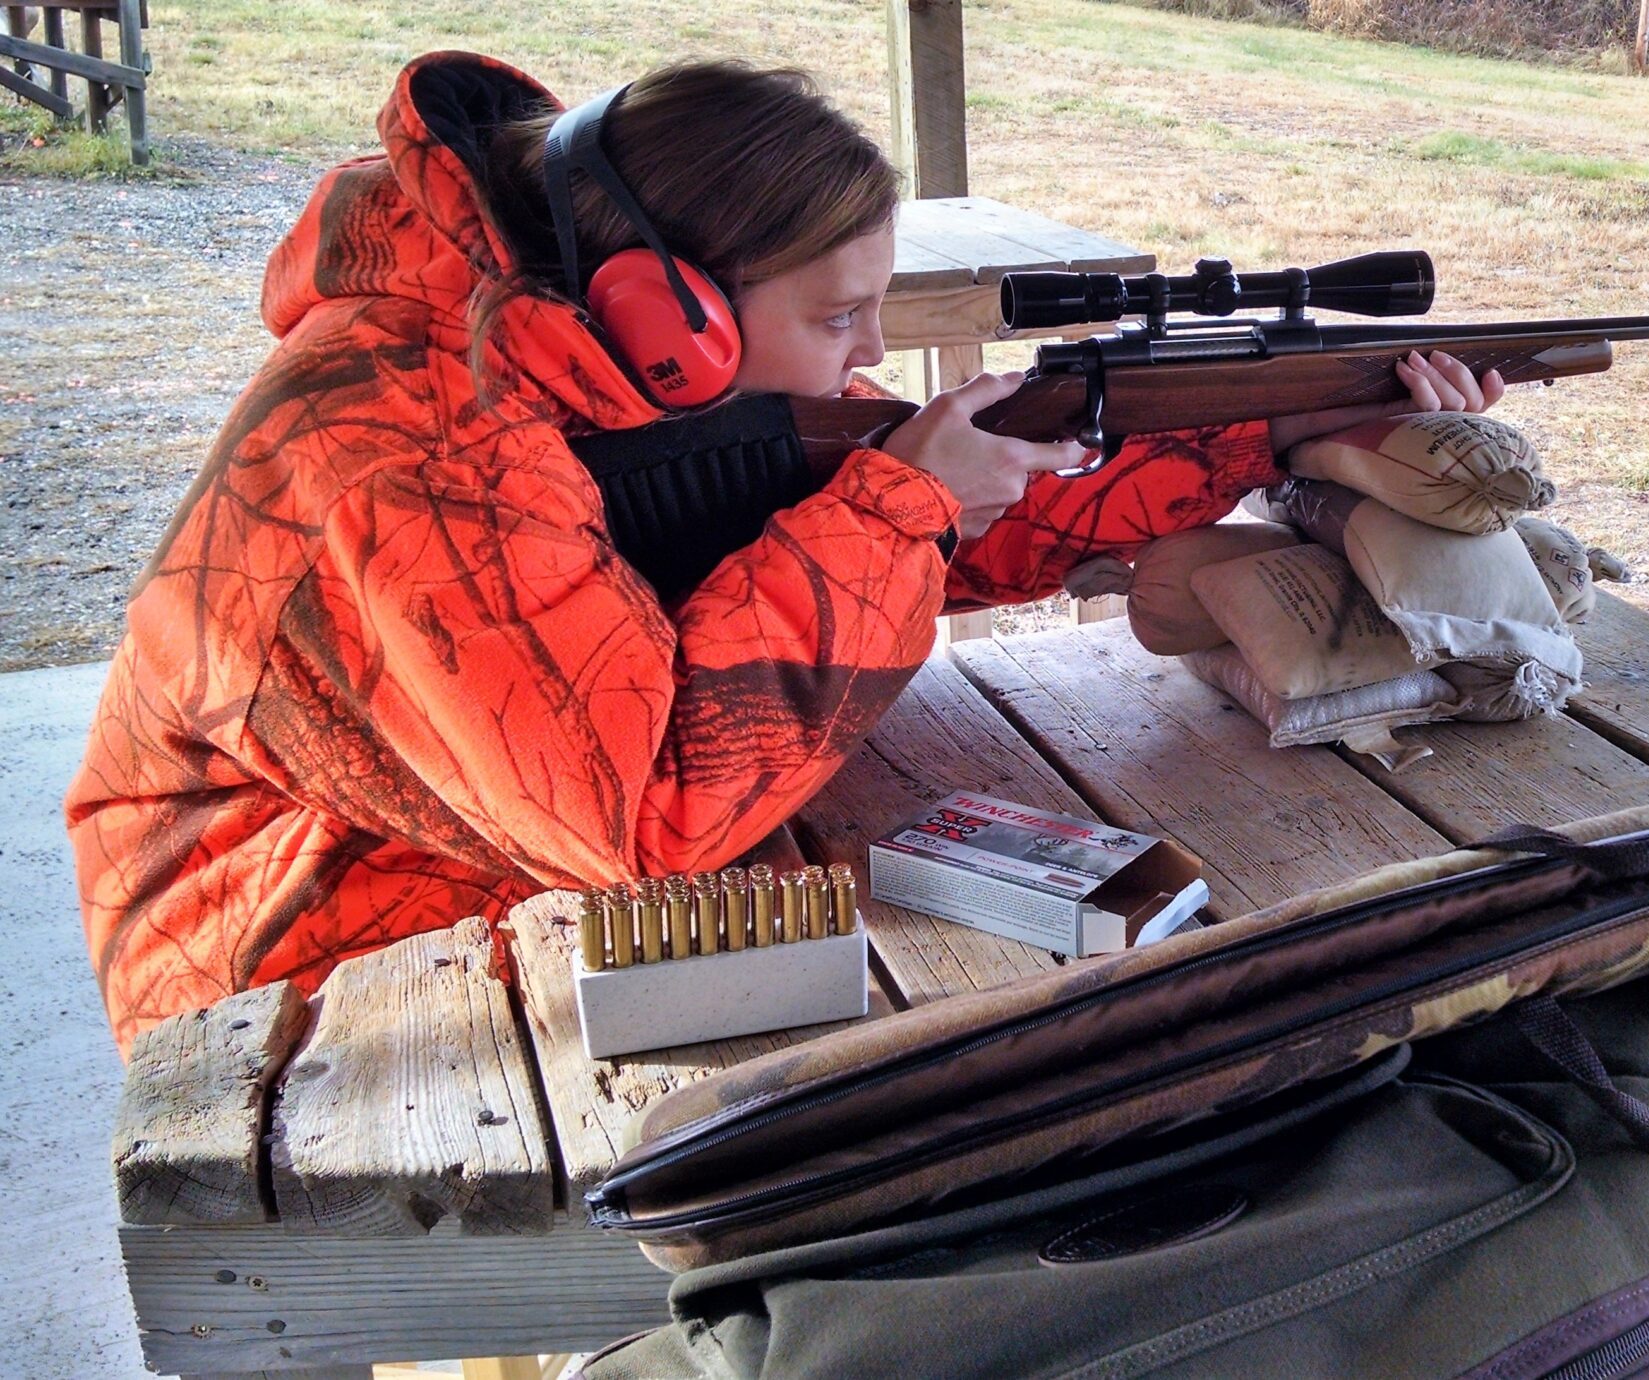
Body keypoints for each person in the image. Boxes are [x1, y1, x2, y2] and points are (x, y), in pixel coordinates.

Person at [66, 51, 1503, 1053]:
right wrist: (895, 510)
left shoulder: (590, 357)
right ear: (663, 302)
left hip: (490, 870)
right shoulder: (404, 448)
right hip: (300, 955)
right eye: (839, 317)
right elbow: (651, 816)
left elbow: (983, 512)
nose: (873, 354)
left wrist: (1277, 419)